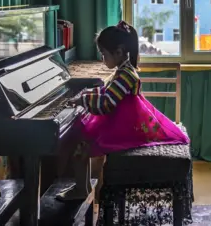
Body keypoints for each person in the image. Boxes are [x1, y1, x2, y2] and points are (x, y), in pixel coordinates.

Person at [55, 20, 190, 201]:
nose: (103, 59)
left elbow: (107, 103)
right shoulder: (125, 70)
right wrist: (88, 93)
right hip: (122, 122)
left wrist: (83, 100)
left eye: (104, 54)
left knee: (80, 147)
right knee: (82, 143)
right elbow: (107, 91)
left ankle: (81, 188)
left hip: (125, 127)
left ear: (118, 52)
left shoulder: (126, 74)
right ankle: (83, 186)